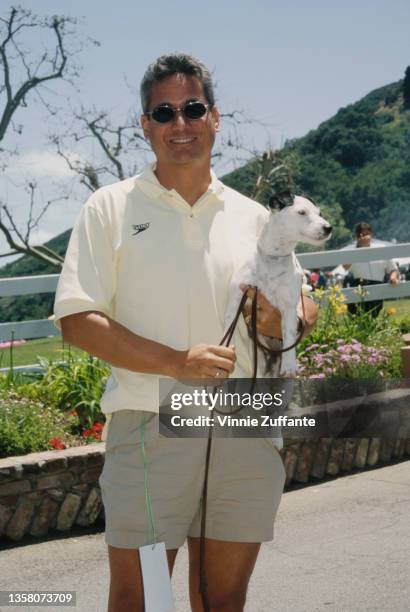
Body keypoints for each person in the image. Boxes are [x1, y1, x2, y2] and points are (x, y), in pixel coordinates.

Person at [53, 54, 318, 612]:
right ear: (145, 125)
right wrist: (178, 361)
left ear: (215, 118)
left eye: (193, 108)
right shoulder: (108, 208)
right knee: (143, 600)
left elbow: (302, 311)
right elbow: (78, 320)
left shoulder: (257, 218)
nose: (181, 123)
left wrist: (278, 317)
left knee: (222, 600)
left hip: (248, 417)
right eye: (164, 112)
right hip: (155, 422)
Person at [343, 222, 399, 317]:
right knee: (358, 318)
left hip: (378, 287)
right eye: (362, 234)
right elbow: (345, 266)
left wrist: (393, 278)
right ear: (357, 237)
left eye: (367, 234)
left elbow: (393, 269)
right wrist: (359, 248)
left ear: (371, 235)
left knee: (375, 316)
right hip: (359, 286)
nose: (365, 237)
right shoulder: (351, 251)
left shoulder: (381, 249)